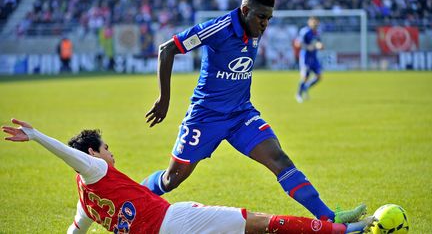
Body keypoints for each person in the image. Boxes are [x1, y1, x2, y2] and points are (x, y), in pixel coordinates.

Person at [144, 0, 364, 224]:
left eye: (269, 18)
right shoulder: (218, 29)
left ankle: (330, 217)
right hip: (205, 118)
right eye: (261, 17)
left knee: (280, 160)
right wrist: (164, 100)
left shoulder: (254, 28)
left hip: (241, 115)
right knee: (171, 180)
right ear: (245, 11)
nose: (265, 24)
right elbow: (167, 50)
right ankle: (130, 201)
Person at [2, 118, 376, 234]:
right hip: (174, 220)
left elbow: (75, 230)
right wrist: (35, 136)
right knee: (254, 223)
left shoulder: (85, 200)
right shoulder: (95, 169)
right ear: (92, 154)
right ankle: (342, 231)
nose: (110, 153)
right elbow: (71, 156)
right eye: (105, 147)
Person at [295, 16, 324, 103]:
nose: (315, 24)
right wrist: (308, 47)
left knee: (319, 77)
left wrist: (321, 46)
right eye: (313, 22)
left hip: (314, 58)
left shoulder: (317, 33)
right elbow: (297, 44)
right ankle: (298, 94)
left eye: (316, 22)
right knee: (305, 77)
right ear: (309, 22)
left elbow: (319, 43)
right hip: (305, 57)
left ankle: (305, 88)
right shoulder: (305, 31)